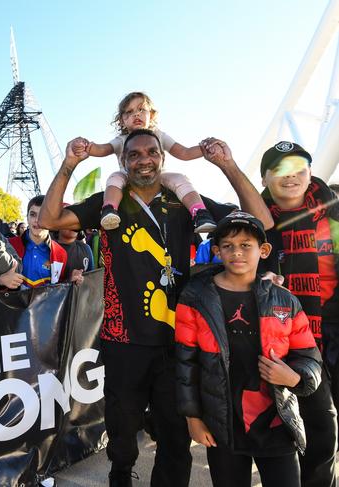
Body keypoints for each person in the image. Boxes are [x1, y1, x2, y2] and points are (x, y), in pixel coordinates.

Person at [38, 130, 272, 487]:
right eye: (133, 154)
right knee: (122, 430)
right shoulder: (108, 204)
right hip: (123, 339)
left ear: (163, 158)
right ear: (123, 161)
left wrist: (228, 165)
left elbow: (262, 221)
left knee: (175, 437)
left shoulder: (184, 200)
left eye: (151, 152)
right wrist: (70, 164)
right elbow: (49, 220)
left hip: (177, 340)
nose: (143, 159)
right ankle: (120, 476)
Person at [175, 211, 321, 487]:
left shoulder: (285, 301)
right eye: (228, 246)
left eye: (246, 245)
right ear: (217, 250)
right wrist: (193, 418)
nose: (237, 253)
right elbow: (185, 363)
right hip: (223, 425)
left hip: (277, 424)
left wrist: (295, 378)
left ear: (263, 250)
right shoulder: (195, 297)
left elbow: (309, 357)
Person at [259, 141, 339, 487]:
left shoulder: (335, 211)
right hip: (283, 338)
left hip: (333, 326)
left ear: (309, 171)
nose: (290, 177)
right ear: (265, 178)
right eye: (279, 170)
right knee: (300, 430)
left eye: (297, 168)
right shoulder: (254, 224)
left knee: (325, 431)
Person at [73, 92, 216, 233]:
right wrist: (87, 146)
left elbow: (184, 153)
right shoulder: (121, 140)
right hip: (129, 177)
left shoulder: (159, 135)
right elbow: (103, 149)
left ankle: (199, 213)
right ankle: (109, 209)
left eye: (141, 109)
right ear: (122, 121)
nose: (136, 114)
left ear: (151, 115)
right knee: (115, 177)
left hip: (157, 177)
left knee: (180, 179)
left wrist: (206, 148)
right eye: (129, 112)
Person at [9, 195, 68, 288]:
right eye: (33, 214)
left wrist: (71, 280)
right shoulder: (9, 245)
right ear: (27, 218)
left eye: (43, 215)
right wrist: (1, 279)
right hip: (13, 302)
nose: (37, 220)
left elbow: (59, 289)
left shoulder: (60, 253)